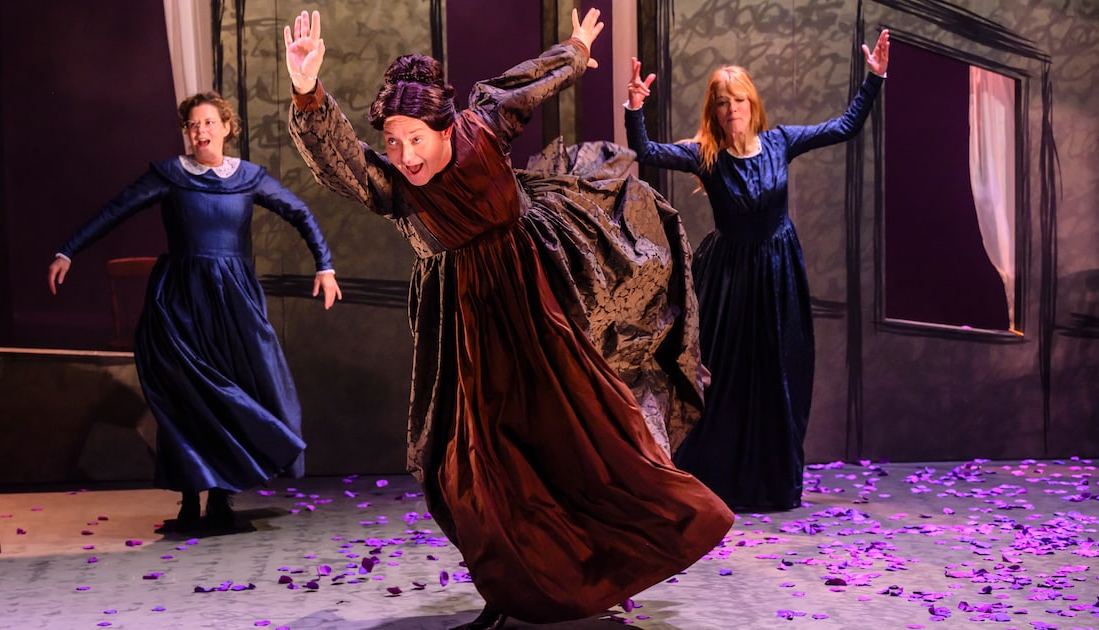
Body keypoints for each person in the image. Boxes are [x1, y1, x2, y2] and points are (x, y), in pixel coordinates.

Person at [283, 8, 733, 629]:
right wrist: (307, 91)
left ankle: (623, 553)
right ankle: (507, 591)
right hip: (465, 328)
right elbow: (341, 161)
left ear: (444, 128)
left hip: (537, 300)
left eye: (416, 139)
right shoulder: (395, 186)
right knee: (477, 463)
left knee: (580, 439)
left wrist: (576, 50)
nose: (405, 155)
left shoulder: (481, 124)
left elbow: (531, 82)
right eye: (392, 142)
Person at [47, 91, 342, 532]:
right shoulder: (169, 176)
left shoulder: (248, 178)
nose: (200, 131)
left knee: (228, 394)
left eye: (208, 123)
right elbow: (115, 211)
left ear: (227, 128)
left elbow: (300, 213)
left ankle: (221, 496)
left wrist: (325, 266)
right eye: (192, 124)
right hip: (180, 301)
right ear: (186, 132)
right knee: (185, 397)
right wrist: (67, 250)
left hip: (234, 303)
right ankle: (189, 496)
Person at [622, 31, 891, 511]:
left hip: (778, 276)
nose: (732, 110)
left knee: (778, 374)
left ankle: (770, 482)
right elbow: (647, 152)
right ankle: (714, 478)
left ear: (753, 104)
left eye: (739, 100)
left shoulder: (780, 143)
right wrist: (635, 106)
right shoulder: (704, 154)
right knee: (723, 378)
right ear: (714, 110)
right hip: (729, 282)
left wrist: (874, 78)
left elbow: (845, 126)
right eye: (722, 102)